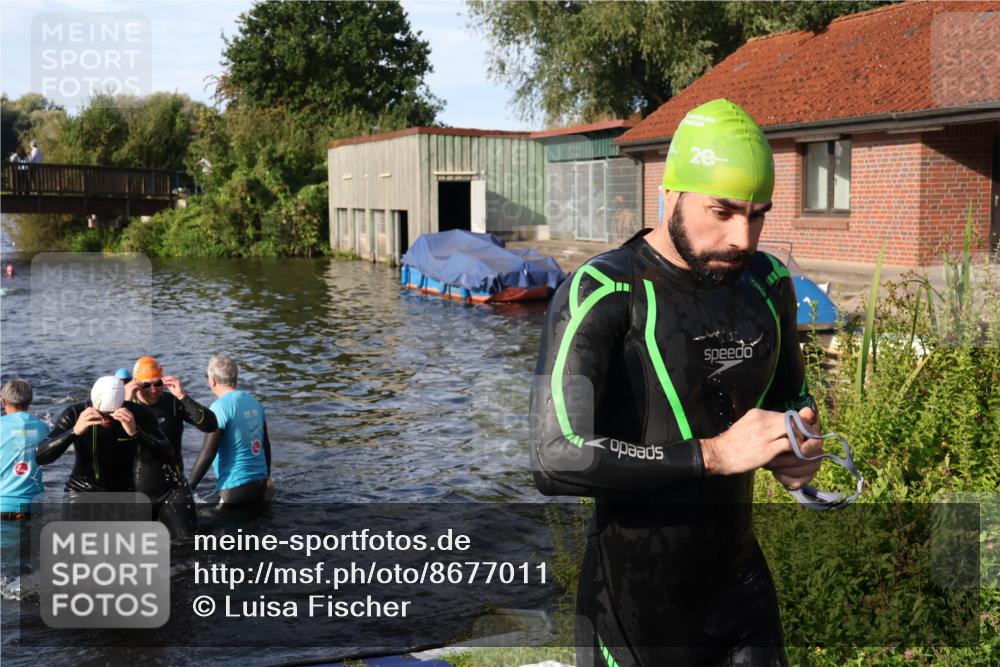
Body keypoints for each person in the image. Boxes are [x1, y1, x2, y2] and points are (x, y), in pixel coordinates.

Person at [530, 99, 824, 667]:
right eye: (723, 211)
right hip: (633, 614)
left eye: (757, 214)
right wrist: (713, 455)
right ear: (671, 195)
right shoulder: (603, 290)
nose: (742, 236)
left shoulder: (766, 283)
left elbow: (795, 403)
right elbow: (553, 458)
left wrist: (800, 450)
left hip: (741, 598)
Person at [125, 356, 216, 539]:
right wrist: (124, 403)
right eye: (146, 385)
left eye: (158, 383)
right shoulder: (126, 407)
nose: (153, 390)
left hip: (173, 487)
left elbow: (210, 425)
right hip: (137, 491)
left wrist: (182, 396)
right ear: (135, 384)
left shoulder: (172, 403)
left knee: (189, 543)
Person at [35, 376, 171, 494]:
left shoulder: (139, 414)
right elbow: (40, 457)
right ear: (93, 405)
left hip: (124, 493)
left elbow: (168, 455)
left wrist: (136, 433)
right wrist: (73, 432)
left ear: (122, 405)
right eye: (101, 414)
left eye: (113, 414)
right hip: (80, 491)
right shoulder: (75, 414)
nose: (106, 419)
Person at [189, 355, 273, 505]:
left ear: (212, 380)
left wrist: (188, 488)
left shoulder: (219, 407)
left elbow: (208, 452)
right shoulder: (254, 402)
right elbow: (265, 444)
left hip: (235, 489)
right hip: (260, 486)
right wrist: (267, 477)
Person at [1, 379, 49, 519]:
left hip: (3, 505)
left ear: (3, 401)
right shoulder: (43, 427)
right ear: (30, 401)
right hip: (32, 506)